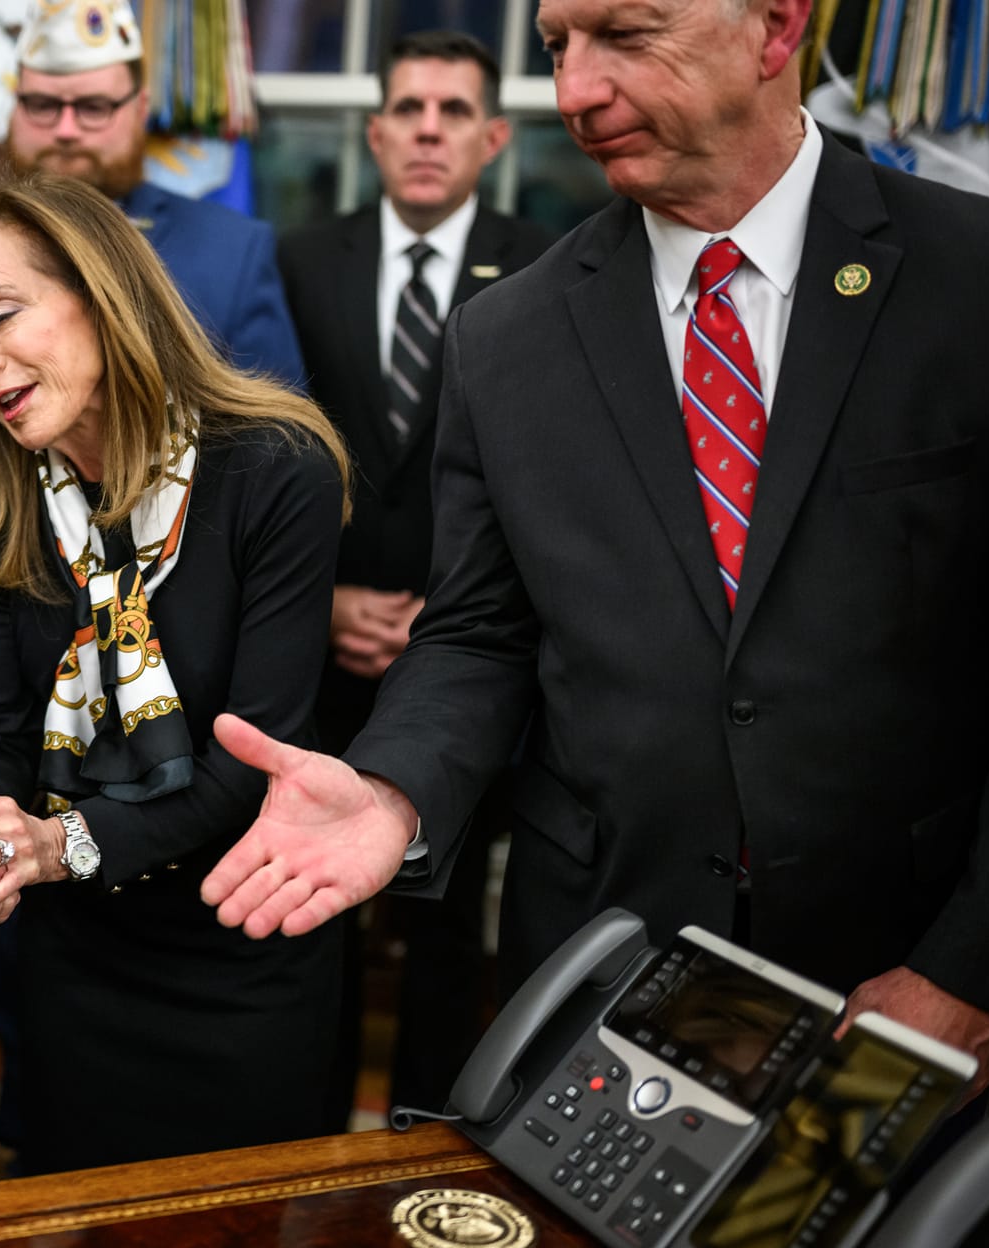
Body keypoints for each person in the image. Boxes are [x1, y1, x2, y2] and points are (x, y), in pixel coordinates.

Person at [204, 0, 989, 1106]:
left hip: (901, 981)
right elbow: (477, 633)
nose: (573, 92)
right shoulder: (504, 339)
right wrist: (393, 786)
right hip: (605, 968)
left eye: (626, 37)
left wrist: (972, 970)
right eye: (556, 46)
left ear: (775, 29)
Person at [0, 171, 354, 1172]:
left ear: (101, 291)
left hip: (245, 940)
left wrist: (51, 846)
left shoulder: (276, 467)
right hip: (78, 959)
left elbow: (251, 764)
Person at [277, 30, 557, 1122]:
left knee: (445, 923)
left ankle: (422, 1136)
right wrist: (323, 602)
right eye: (408, 108)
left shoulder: (548, 263)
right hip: (319, 653)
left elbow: (542, 467)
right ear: (374, 129)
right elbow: (268, 456)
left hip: (474, 652)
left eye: (453, 111)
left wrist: (456, 618)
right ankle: (301, 1137)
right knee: (318, 907)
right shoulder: (298, 259)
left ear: (490, 137)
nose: (428, 129)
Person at [5, 0, 304, 385]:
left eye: (93, 107)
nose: (65, 129)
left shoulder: (231, 253)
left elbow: (280, 435)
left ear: (140, 109)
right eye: (43, 105)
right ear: (15, 104)